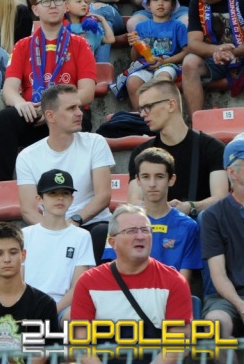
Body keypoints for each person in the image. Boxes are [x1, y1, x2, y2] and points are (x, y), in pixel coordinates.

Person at [0, 0, 97, 183]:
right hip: (32, 115)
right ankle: (0, 187)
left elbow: (87, 92)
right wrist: (21, 104)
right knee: (5, 119)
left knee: (74, 117)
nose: (53, 6)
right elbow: (9, 89)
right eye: (46, 2)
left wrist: (53, 109)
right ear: (35, 9)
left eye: (57, 0)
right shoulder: (22, 46)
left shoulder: (80, 44)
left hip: (68, 113)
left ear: (65, 6)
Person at [70, 204, 192, 358]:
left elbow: (178, 344)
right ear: (112, 242)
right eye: (131, 231)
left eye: (145, 230)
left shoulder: (174, 281)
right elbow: (80, 344)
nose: (140, 236)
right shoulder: (89, 282)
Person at [15, 84, 115, 262]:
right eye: (71, 108)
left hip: (92, 223)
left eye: (79, 107)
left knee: (102, 233)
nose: (79, 113)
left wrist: (75, 221)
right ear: (50, 116)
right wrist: (54, 230)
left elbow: (103, 196)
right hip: (51, 226)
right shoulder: (27, 156)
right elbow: (28, 210)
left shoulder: (95, 142)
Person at [129, 78, 228, 216]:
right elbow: (134, 202)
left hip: (197, 224)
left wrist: (191, 207)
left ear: (171, 105)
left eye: (148, 107)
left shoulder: (212, 148)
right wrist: (162, 209)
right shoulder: (141, 153)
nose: (142, 114)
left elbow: (220, 199)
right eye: (141, 109)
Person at [104, 147, 202, 280]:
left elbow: (184, 281)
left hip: (171, 291)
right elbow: (115, 274)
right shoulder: (120, 222)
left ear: (171, 179)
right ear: (137, 180)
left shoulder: (188, 226)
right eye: (145, 177)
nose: (152, 184)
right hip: (129, 291)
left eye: (159, 176)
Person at [0, 222, 59, 349]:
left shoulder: (44, 304)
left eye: (13, 252)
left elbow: (48, 353)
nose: (7, 259)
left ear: (23, 255)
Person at [22, 168, 94, 318]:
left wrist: (52, 310)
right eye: (52, 193)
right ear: (39, 199)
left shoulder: (82, 236)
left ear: (72, 199)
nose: (60, 198)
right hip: (28, 306)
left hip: (63, 307)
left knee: (77, 319)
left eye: (65, 193)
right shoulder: (25, 235)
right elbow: (18, 280)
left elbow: (79, 285)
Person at [181, 0, 244, 118]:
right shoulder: (196, 3)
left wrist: (232, 52)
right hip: (215, 58)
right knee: (189, 63)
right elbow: (193, 43)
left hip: (241, 54)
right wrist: (217, 50)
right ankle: (197, 124)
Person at [201, 141, 244, 339]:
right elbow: (218, 275)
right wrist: (240, 305)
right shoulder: (213, 215)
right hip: (227, 297)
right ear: (232, 172)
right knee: (216, 324)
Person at [119, 0, 188, 106]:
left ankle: (164, 112)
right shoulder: (140, 26)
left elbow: (186, 51)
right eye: (155, 0)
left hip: (168, 64)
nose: (160, 3)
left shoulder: (178, 26)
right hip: (145, 65)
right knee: (132, 81)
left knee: (162, 79)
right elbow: (135, 58)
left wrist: (165, 61)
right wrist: (135, 45)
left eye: (165, 0)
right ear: (148, 5)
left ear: (172, 5)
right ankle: (141, 114)